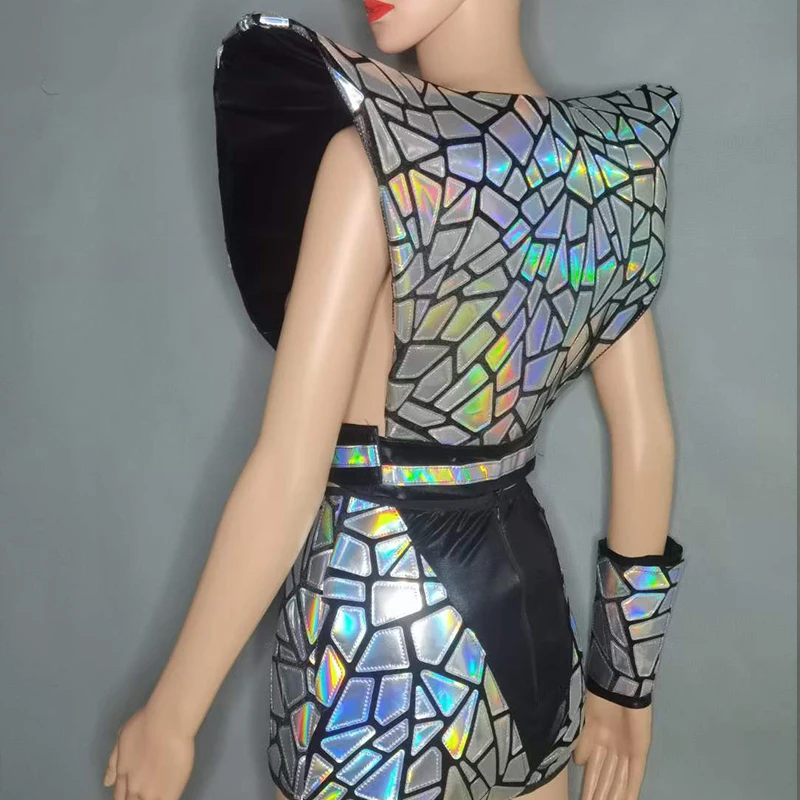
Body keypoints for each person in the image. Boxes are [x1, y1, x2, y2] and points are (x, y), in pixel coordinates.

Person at [103, 3, 686, 799]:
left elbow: (288, 472)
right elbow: (647, 437)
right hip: (531, 623)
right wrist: (625, 684)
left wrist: (173, 716)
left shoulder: (376, 157)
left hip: (373, 625)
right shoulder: (611, 169)